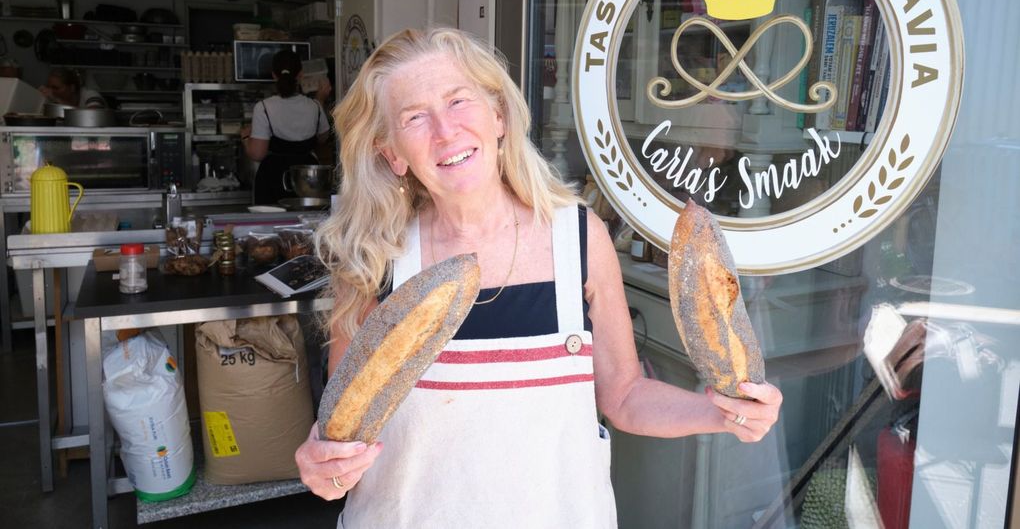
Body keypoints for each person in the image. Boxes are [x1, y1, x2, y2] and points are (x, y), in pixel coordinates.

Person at [296, 28, 783, 528]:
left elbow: (624, 396)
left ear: (499, 116)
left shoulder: (577, 239)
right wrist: (324, 469)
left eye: (458, 101)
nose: (445, 131)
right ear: (393, 153)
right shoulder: (375, 261)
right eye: (414, 117)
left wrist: (725, 415)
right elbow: (344, 435)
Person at [241, 49, 332, 204]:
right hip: (307, 178)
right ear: (301, 74)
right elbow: (323, 137)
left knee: (271, 225)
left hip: (273, 177)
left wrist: (245, 137)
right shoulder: (314, 106)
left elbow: (257, 153)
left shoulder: (263, 107)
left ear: (274, 75)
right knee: (308, 223)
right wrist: (320, 100)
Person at [39, 68, 106, 108]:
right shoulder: (54, 100)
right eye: (48, 87)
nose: (51, 91)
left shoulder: (91, 95)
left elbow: (91, 117)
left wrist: (57, 99)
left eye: (56, 88)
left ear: (72, 88)